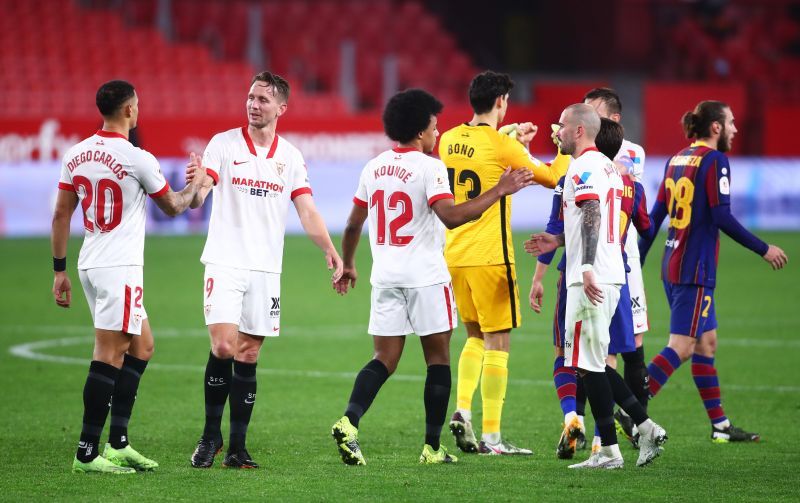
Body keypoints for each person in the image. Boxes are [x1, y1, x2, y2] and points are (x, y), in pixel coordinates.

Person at [330, 89, 534, 466]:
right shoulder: (430, 167)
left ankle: (349, 420)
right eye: (434, 126)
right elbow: (452, 216)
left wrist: (349, 263)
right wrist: (500, 189)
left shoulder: (373, 167)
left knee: (383, 359)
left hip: (386, 277)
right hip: (425, 277)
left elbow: (352, 223)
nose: (437, 133)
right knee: (438, 361)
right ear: (421, 129)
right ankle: (432, 447)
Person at [187, 71, 343, 469]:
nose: (254, 105)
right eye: (251, 98)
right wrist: (196, 187)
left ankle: (237, 448)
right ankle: (210, 436)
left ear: (281, 109)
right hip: (225, 260)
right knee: (223, 346)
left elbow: (306, 209)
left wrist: (329, 248)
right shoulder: (223, 144)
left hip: (266, 268)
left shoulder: (289, 157)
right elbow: (203, 192)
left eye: (262, 100)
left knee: (250, 353)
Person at [51, 80, 207, 474]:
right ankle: (86, 452)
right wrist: (198, 184)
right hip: (118, 267)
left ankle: (118, 442)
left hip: (91, 262)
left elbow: (61, 214)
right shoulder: (137, 158)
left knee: (143, 347)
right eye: (136, 104)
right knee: (108, 354)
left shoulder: (76, 154)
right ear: (129, 110)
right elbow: (173, 206)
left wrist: (58, 271)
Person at [526, 104, 666, 469]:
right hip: (607, 271)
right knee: (592, 365)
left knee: (587, 364)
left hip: (590, 276)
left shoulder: (584, 166)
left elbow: (591, 214)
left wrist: (585, 265)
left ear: (578, 131)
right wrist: (556, 242)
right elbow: (595, 220)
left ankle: (630, 437)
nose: (556, 132)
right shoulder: (608, 167)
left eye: (561, 127)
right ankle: (625, 440)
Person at [640, 100, 788, 442]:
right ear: (716, 127)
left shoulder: (676, 159)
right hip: (696, 267)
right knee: (681, 345)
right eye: (731, 122)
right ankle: (631, 409)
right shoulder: (715, 161)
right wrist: (764, 248)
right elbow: (722, 216)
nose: (736, 129)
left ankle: (720, 426)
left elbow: (656, 215)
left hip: (672, 263)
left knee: (706, 343)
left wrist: (638, 259)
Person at [440, 70, 566, 456]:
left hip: (456, 255)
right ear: (500, 102)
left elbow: (487, 152)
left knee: (474, 336)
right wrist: (562, 146)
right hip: (491, 256)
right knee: (499, 342)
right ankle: (493, 437)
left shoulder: (448, 138)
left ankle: (462, 409)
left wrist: (513, 140)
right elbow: (550, 176)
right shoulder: (500, 145)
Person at [584, 89, 651, 432]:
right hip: (593, 259)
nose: (586, 117)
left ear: (613, 118)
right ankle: (596, 430)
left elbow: (630, 198)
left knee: (634, 342)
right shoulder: (581, 149)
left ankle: (639, 422)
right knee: (595, 344)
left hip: (625, 256)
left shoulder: (632, 153)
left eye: (592, 111)